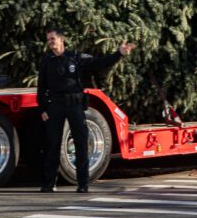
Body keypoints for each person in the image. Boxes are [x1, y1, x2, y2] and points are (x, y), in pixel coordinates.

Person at [37, 28, 135, 193]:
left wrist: (119, 53)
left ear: (61, 40)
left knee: (81, 143)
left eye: (52, 39)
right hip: (55, 106)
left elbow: (98, 63)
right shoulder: (47, 61)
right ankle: (49, 183)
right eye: (48, 40)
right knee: (53, 144)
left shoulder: (75, 57)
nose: (50, 42)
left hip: (74, 105)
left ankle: (82, 184)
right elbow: (41, 87)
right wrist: (42, 109)